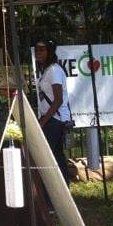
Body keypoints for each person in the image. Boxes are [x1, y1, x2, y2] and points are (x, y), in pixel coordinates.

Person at [34, 39, 72, 183]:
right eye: (37, 50)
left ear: (49, 52)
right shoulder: (48, 70)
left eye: (42, 50)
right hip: (52, 118)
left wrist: (43, 121)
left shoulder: (54, 70)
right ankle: (63, 188)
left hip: (54, 119)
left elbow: (58, 99)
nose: (38, 53)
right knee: (56, 155)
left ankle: (53, 189)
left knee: (47, 156)